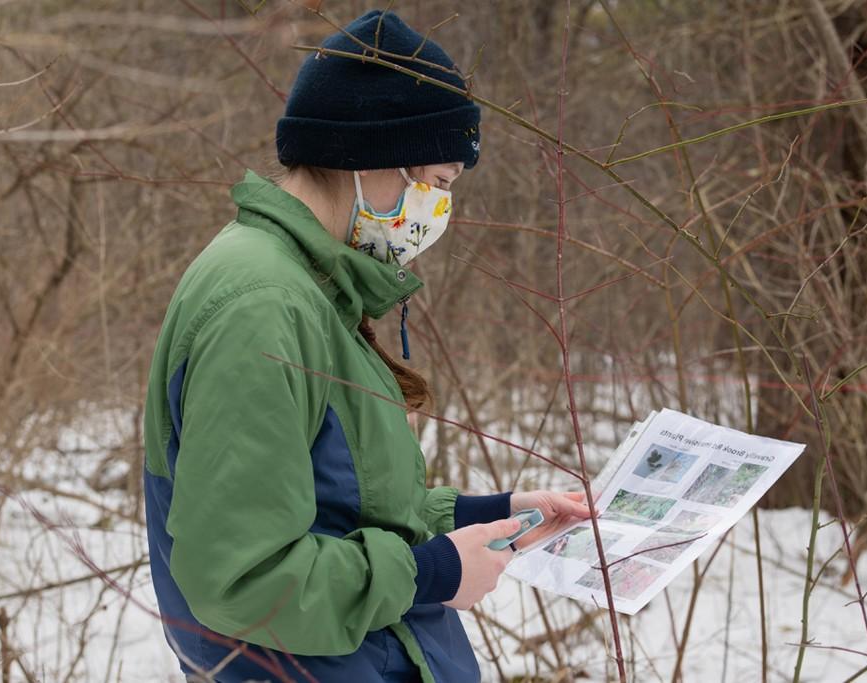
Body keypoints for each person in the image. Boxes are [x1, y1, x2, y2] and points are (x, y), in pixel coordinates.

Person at [142, 9, 591, 683]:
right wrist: (434, 571)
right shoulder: (262, 304)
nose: (437, 211)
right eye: (437, 184)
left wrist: (493, 513)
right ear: (376, 156)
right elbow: (242, 578)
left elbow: (343, 504)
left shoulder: (309, 285)